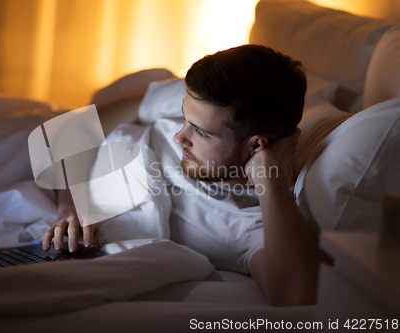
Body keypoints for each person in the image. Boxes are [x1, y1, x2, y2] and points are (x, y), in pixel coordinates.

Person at [42, 44, 328, 306]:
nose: (180, 136)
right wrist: (71, 206)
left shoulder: (251, 223)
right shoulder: (206, 100)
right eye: (183, 118)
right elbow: (73, 130)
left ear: (256, 145)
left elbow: (298, 295)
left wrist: (270, 180)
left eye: (201, 133)